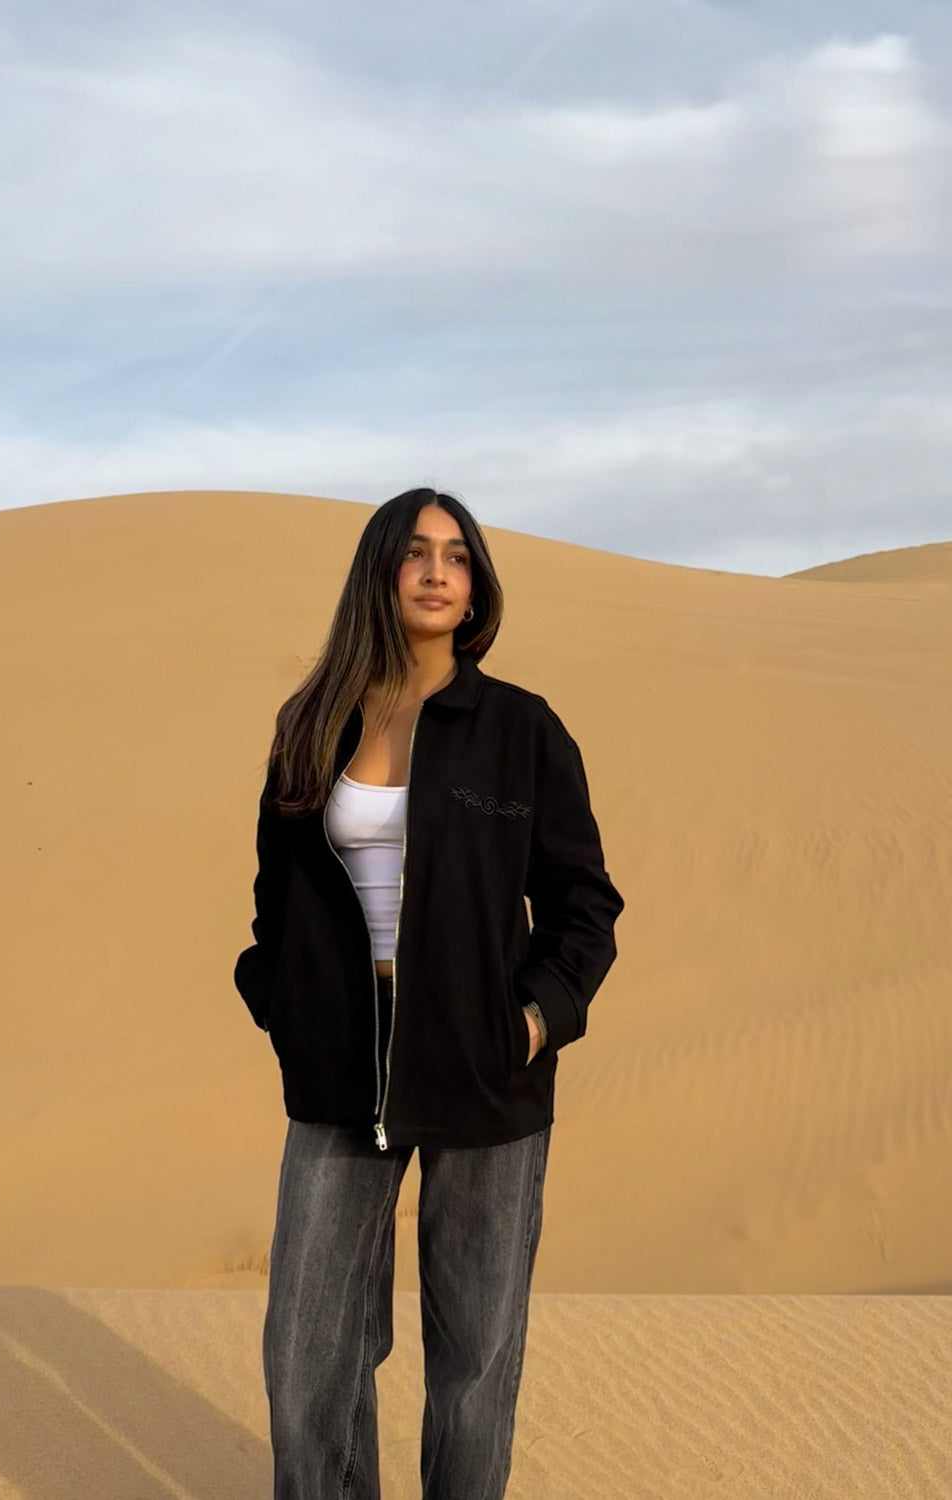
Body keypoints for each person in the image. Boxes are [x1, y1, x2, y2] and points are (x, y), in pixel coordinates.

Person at [234, 486, 624, 1499]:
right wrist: (282, 1003)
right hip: (340, 1067)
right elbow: (275, 902)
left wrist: (533, 1022)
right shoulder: (312, 724)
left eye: (457, 555)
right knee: (306, 1353)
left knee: (474, 1365)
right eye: (415, 552)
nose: (438, 571)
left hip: (484, 1070)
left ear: (476, 585)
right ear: (381, 571)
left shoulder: (520, 730)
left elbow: (584, 904)